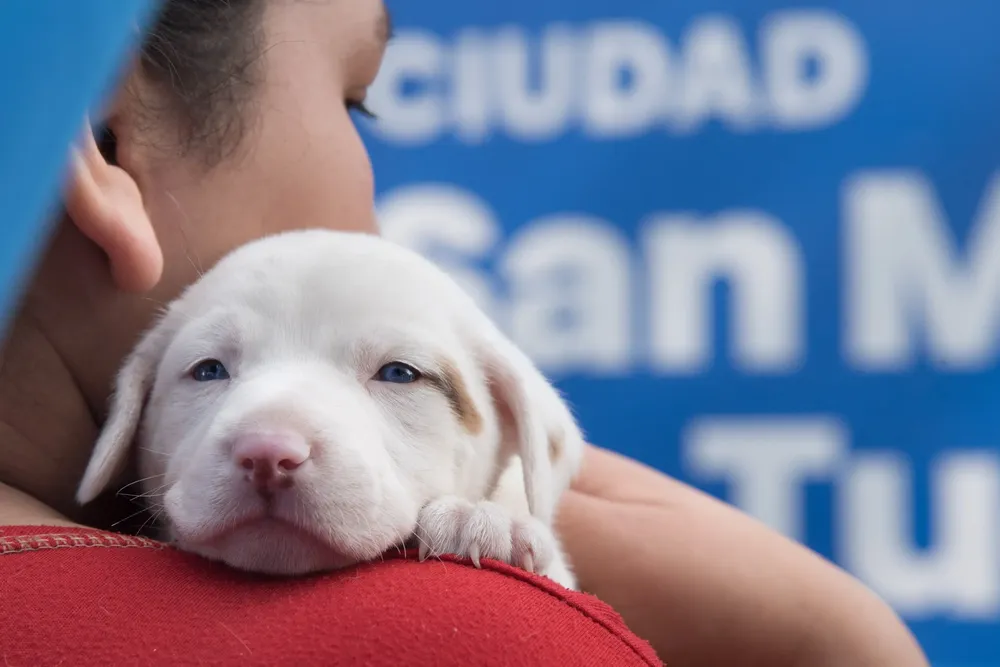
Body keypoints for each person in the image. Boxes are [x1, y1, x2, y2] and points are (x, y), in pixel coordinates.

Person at [0, 0, 928, 665]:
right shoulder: (465, 636)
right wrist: (830, 637)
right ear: (105, 137)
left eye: (397, 372)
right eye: (356, 97)